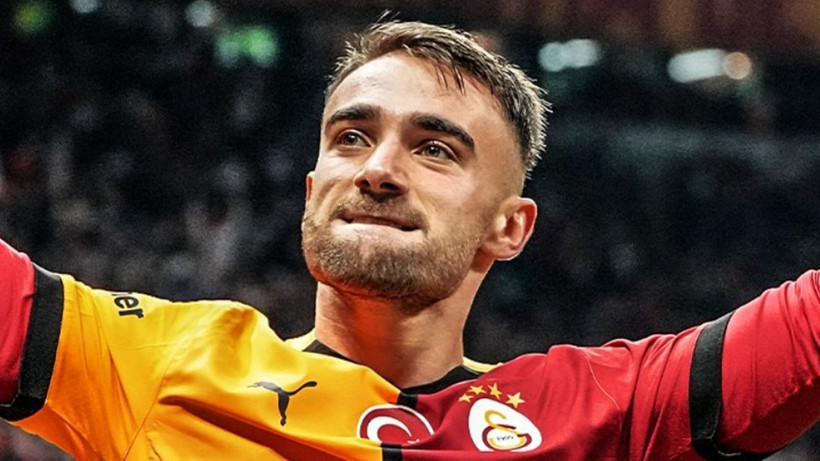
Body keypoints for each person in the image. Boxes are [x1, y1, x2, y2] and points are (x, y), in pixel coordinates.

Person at [0, 20, 818, 460]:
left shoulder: (605, 415)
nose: (378, 169)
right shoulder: (160, 362)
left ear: (509, 227)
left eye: (435, 149)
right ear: (312, 191)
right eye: (351, 137)